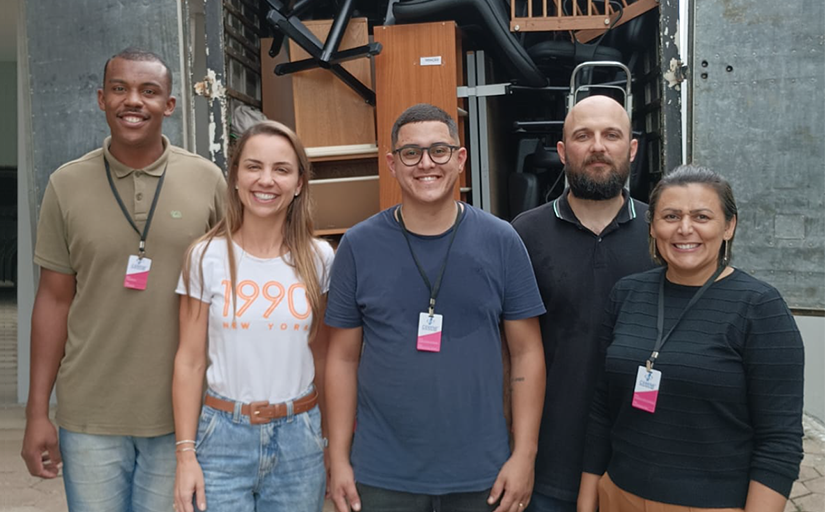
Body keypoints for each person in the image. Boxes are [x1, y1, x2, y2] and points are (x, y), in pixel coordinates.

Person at [21, 48, 226, 512]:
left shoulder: (208, 180)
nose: (133, 101)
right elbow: (53, 302)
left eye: (148, 91)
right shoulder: (65, 185)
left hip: (182, 416)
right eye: (120, 89)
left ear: (169, 105)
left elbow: (229, 290)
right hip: (90, 415)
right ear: (101, 98)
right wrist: (37, 413)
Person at [325, 103, 547, 512]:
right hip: (381, 472)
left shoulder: (502, 241)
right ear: (392, 164)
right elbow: (341, 359)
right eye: (411, 153)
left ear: (460, 158)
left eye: (439, 150)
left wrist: (524, 455)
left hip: (484, 471)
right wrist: (338, 459)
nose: (426, 163)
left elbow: (527, 353)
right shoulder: (357, 246)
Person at [578, 165, 804, 512]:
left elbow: (779, 441)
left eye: (702, 216)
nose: (685, 229)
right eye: (671, 216)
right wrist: (588, 496)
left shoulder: (760, 308)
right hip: (618, 494)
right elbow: (601, 408)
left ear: (729, 226)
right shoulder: (627, 294)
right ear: (652, 226)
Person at [173, 120, 334, 512]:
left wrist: (330, 444)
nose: (266, 180)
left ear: (299, 183)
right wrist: (185, 456)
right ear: (235, 178)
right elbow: (190, 361)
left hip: (301, 437)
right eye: (253, 166)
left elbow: (325, 358)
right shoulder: (204, 257)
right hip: (222, 437)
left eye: (281, 169)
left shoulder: (320, 258)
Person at [511, 95, 655, 512]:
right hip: (549, 465)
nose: (597, 146)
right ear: (562, 151)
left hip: (642, 466)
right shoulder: (524, 235)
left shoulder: (661, 235)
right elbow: (511, 351)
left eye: (611, 135)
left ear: (631, 149)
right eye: (583, 136)